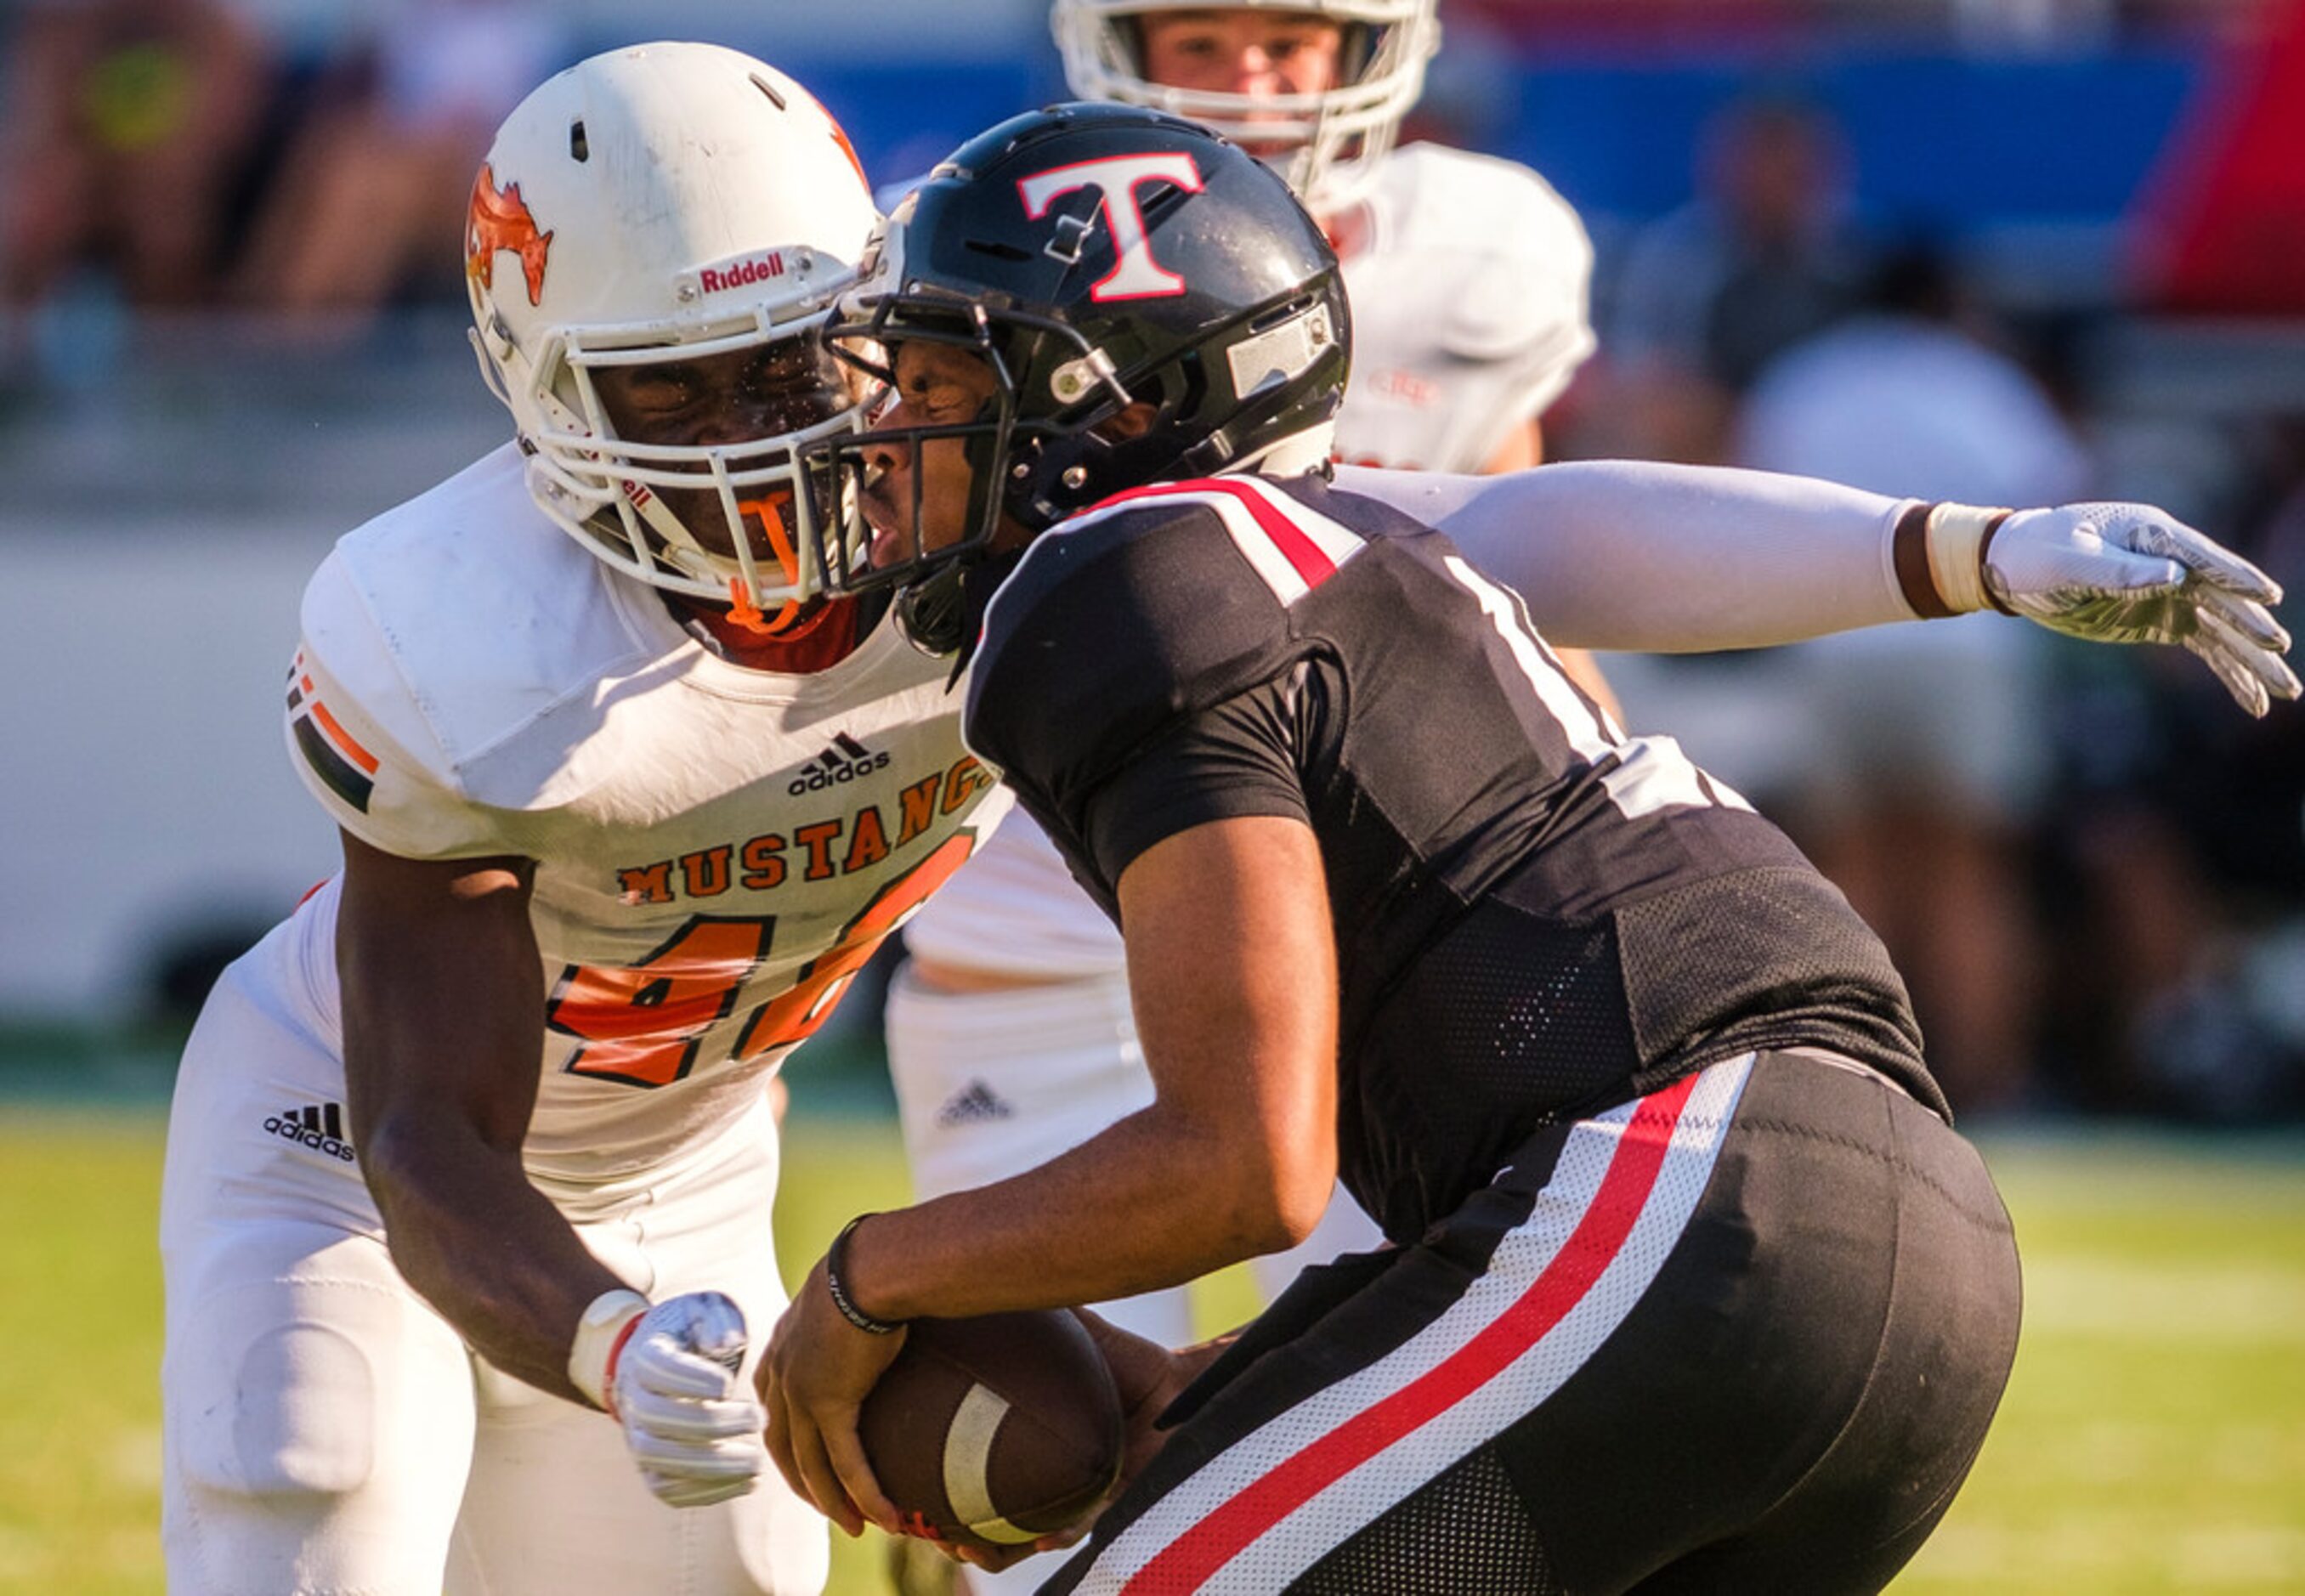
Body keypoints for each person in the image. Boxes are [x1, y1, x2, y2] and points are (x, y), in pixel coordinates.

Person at [760, 103, 2296, 1593]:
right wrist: (1201, 1391)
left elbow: (1245, 1166)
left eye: (939, 374)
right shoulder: (1332, 549)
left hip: (1677, 1184)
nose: (890, 428)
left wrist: (868, 1275)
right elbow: (1561, 524)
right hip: (1894, 1238)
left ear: (1110, 408)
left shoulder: (1115, 577)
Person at [156, 42, 1012, 1596]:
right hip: (343, 1144)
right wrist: (607, 1339)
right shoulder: (457, 634)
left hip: (676, 1163)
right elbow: (423, 1135)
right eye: (665, 386)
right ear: (539, 382)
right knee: (312, 1484)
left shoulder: (1001, 526)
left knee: (735, 1568)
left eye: (783, 361)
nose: (741, 436)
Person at [885, 0, 1601, 1389]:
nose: (1254, 83)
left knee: (1376, 1426)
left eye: (1292, 40)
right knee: (1023, 1467)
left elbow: (1520, 568)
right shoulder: (962, 242)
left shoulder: (1481, 256)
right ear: (1119, 48)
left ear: (1371, 50)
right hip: (1034, 912)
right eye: (1201, 44)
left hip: (1343, 922)